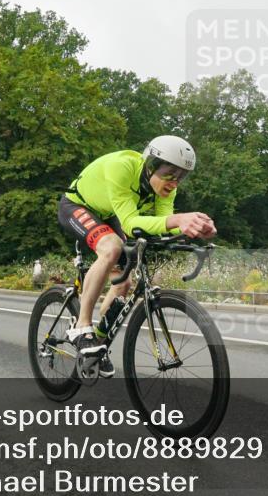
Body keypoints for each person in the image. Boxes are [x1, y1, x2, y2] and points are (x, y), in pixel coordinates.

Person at [58, 135, 216, 377]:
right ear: (151, 165)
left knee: (123, 284)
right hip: (77, 206)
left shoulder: (165, 189)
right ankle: (82, 326)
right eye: (170, 174)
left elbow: (162, 223)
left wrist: (194, 228)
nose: (175, 182)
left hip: (109, 213)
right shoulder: (121, 167)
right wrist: (179, 220)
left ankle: (98, 344)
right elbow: (131, 224)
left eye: (181, 176)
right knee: (112, 248)